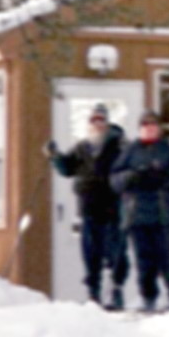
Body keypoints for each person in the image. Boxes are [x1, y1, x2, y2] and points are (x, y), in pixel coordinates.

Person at [46, 103, 130, 309]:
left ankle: (115, 292)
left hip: (113, 208)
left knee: (116, 253)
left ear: (107, 123)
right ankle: (94, 295)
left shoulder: (120, 145)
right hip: (89, 209)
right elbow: (67, 168)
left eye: (101, 120)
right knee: (91, 254)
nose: (97, 124)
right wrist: (54, 155)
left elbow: (129, 171)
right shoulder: (82, 147)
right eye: (93, 120)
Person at [110, 110, 169, 312]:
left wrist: (165, 178)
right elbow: (115, 179)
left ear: (159, 128)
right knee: (144, 259)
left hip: (164, 213)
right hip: (137, 214)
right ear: (140, 129)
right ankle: (148, 297)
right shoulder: (130, 151)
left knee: (168, 257)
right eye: (145, 125)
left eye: (153, 125)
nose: (149, 128)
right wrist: (132, 177)